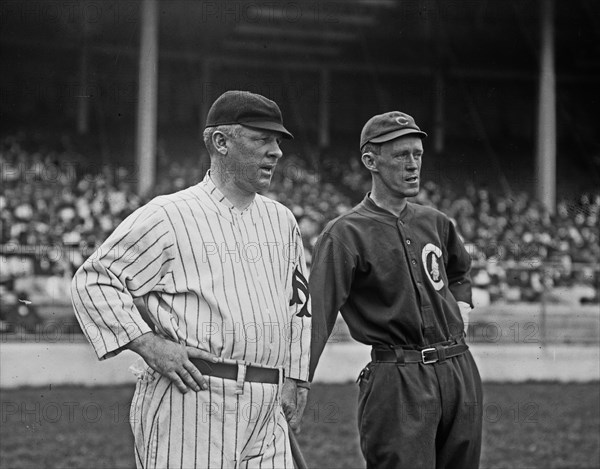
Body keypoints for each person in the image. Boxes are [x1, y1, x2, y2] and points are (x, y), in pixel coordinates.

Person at [71, 90, 311, 468]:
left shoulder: (282, 220)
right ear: (221, 142)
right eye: (262, 139)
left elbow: (299, 305)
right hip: (194, 397)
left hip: (267, 404)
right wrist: (151, 345)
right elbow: (95, 280)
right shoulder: (169, 214)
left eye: (278, 142)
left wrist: (298, 379)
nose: (276, 152)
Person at [308, 111, 483, 468]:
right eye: (402, 155)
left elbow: (460, 271)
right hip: (398, 375)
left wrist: (461, 307)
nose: (413, 164)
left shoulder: (435, 221)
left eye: (417, 154)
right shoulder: (344, 234)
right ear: (370, 160)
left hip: (459, 369)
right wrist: (296, 383)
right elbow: (316, 316)